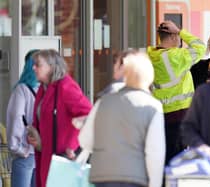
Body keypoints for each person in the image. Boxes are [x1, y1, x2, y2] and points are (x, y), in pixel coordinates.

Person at [77, 51, 165, 187]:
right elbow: (155, 152)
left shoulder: (103, 101)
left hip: (102, 177)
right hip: (135, 178)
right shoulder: (152, 106)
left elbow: (85, 141)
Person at [27, 49, 92, 187]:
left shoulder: (65, 86)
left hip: (62, 159)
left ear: (51, 67)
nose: (33, 67)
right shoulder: (43, 89)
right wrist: (36, 136)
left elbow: (88, 115)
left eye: (38, 64)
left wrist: (72, 146)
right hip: (47, 156)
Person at [147, 20, 206, 164]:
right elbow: (200, 47)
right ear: (173, 37)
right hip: (180, 114)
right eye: (178, 37)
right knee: (178, 160)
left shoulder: (150, 55)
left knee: (164, 156)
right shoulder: (176, 57)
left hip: (160, 114)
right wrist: (180, 31)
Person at [6, 49, 39, 187]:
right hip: (41, 154)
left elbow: (16, 118)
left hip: (25, 153)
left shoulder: (22, 90)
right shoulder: (46, 89)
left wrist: (17, 148)